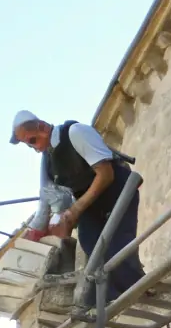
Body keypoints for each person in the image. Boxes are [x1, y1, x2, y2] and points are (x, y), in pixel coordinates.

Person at [9, 110, 146, 301]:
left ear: (41, 126)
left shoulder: (75, 133)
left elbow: (106, 174)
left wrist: (76, 209)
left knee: (118, 242)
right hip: (90, 201)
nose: (35, 148)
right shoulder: (48, 162)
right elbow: (49, 200)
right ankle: (107, 298)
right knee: (90, 242)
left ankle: (138, 288)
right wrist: (40, 231)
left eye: (32, 141)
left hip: (116, 189)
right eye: (29, 145)